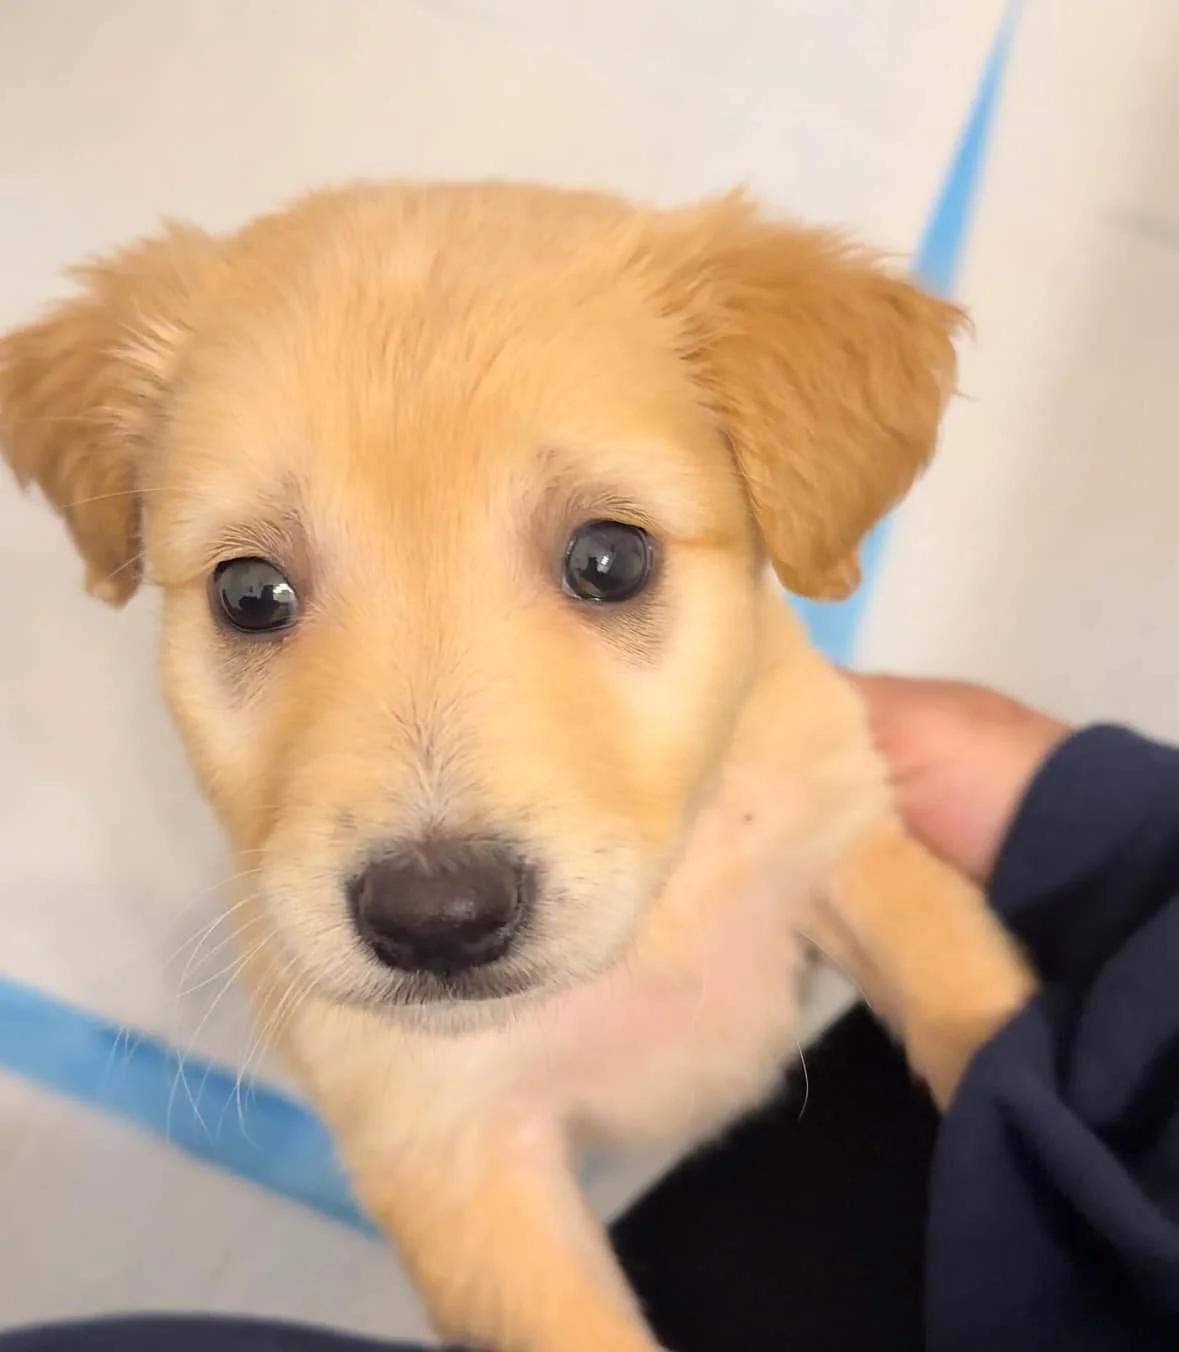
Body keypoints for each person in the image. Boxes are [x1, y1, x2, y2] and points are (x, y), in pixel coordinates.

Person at [5, 677, 1178, 1351]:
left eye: (603, 564)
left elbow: (858, 859)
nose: (434, 868)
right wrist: (1123, 830)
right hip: (1027, 1134)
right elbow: (458, 1162)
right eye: (259, 595)